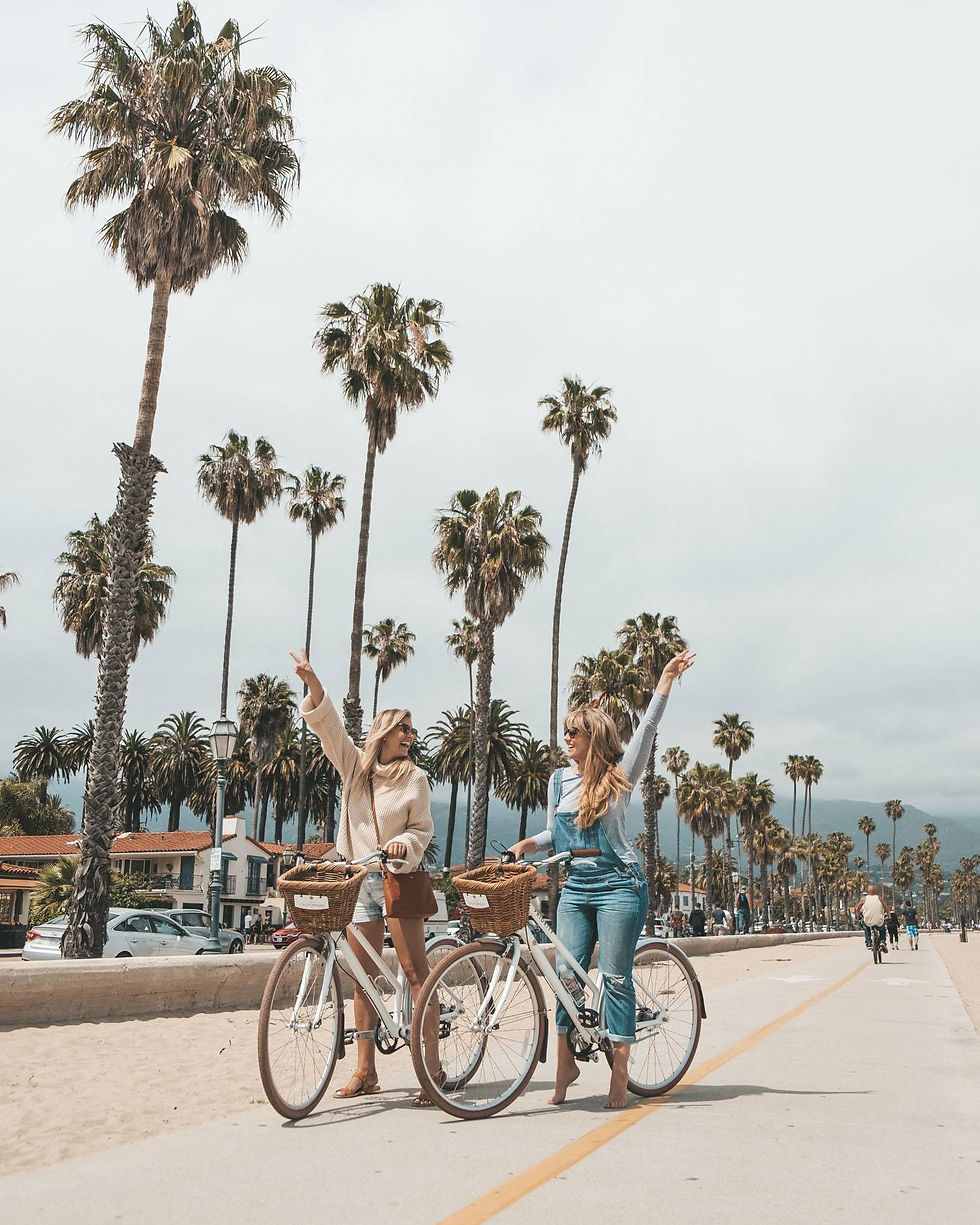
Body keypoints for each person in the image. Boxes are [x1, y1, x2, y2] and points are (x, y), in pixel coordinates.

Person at [509, 647, 695, 1110]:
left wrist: (665, 681)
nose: (566, 736)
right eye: (566, 730)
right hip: (576, 888)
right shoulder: (558, 781)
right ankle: (565, 1068)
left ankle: (619, 1073)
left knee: (613, 977)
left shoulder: (619, 775)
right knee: (566, 978)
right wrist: (528, 845)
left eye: (575, 731)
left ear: (594, 737)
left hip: (619, 886)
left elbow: (648, 730)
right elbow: (558, 831)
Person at [291, 648, 441, 1104]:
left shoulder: (414, 779)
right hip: (359, 882)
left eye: (412, 730)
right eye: (403, 728)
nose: (410, 736)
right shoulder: (355, 768)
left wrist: (406, 846)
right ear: (384, 731)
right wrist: (314, 683)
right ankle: (365, 1071)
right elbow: (329, 727)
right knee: (361, 979)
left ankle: (431, 1074)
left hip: (397, 880)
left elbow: (422, 829)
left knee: (417, 974)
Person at [859, 884, 887, 956]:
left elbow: (857, 908)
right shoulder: (879, 898)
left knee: (866, 927)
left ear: (868, 891)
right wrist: (889, 916)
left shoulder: (863, 899)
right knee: (883, 929)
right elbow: (886, 908)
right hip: (879, 921)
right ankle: (882, 942)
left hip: (868, 921)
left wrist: (858, 916)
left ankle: (868, 943)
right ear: (875, 891)